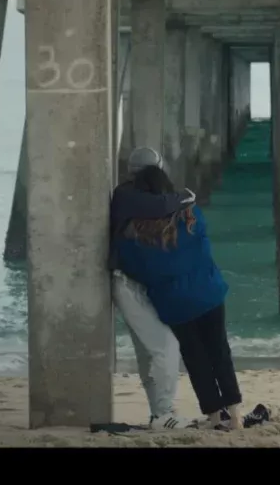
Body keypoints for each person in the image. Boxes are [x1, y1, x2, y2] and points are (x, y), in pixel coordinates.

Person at [116, 164, 244, 430]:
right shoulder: (192, 216)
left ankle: (213, 416)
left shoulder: (138, 235)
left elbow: (133, 268)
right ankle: (235, 415)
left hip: (175, 306)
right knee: (219, 351)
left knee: (195, 358)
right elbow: (203, 244)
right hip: (208, 293)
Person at [110, 146, 196, 430]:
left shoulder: (136, 198)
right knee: (167, 347)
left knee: (150, 353)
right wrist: (184, 197)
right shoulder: (126, 196)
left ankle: (158, 414)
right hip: (127, 285)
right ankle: (164, 413)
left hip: (142, 286)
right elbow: (159, 207)